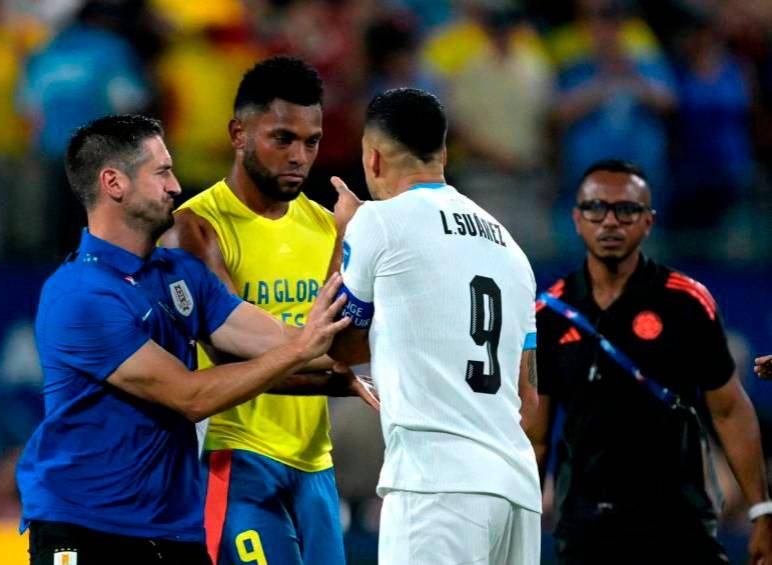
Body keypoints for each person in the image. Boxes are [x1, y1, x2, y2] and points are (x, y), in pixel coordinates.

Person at [16, 114, 352, 565]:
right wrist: (300, 349)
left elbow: (280, 340)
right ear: (114, 183)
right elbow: (189, 396)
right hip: (86, 527)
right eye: (161, 172)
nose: (176, 186)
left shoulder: (181, 275)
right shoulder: (80, 294)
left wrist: (347, 249)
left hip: (174, 530)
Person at [160, 56, 372, 565]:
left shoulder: (324, 224)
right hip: (235, 458)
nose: (300, 156)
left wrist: (352, 241)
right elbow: (233, 357)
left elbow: (349, 343)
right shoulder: (196, 227)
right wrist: (338, 377)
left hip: (316, 465)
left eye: (312, 141)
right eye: (282, 139)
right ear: (238, 132)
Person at [328, 87, 542, 565]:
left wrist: (344, 233)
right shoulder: (512, 248)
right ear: (443, 153)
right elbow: (528, 397)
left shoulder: (378, 222)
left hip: (436, 484)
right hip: (517, 488)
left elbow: (337, 346)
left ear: (373, 159)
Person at [528, 159, 772, 564]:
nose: (609, 221)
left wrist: (762, 512)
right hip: (585, 529)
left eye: (625, 210)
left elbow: (730, 410)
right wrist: (521, 525)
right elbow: (535, 436)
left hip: (679, 526)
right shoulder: (548, 314)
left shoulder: (686, 302)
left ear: (648, 221)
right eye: (595, 208)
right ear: (576, 218)